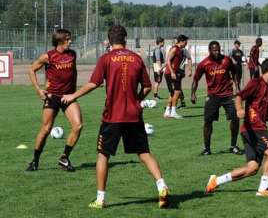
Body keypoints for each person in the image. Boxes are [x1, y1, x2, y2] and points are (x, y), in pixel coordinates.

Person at [61, 25, 170, 208]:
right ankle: (162, 185)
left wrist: (73, 96)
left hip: (112, 116)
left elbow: (93, 83)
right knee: (144, 153)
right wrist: (136, 101)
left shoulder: (106, 59)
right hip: (134, 116)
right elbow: (148, 87)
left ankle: (100, 199)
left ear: (109, 40)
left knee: (103, 155)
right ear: (125, 39)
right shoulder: (136, 58)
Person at [204, 58, 268, 197]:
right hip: (254, 128)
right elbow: (239, 96)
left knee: (252, 168)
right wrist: (239, 109)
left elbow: (265, 113)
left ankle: (216, 181)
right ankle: (263, 189)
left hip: (251, 130)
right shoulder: (256, 83)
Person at [26, 29, 82, 172]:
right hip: (52, 97)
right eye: (68, 39)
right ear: (60, 40)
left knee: (78, 126)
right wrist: (39, 90)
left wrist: (74, 92)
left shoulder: (72, 54)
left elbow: (73, 73)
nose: (70, 41)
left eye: (70, 39)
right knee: (46, 129)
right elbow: (31, 70)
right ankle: (35, 161)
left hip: (68, 97)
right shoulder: (48, 56)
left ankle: (64, 158)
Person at [191, 41, 241, 155]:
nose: (217, 52)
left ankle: (233, 146)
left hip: (228, 95)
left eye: (218, 49)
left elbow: (234, 74)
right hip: (213, 96)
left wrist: (237, 88)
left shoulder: (226, 60)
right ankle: (207, 149)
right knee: (208, 122)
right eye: (214, 50)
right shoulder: (204, 63)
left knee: (235, 118)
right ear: (209, 50)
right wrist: (193, 93)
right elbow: (196, 79)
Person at [163, 34, 188, 119]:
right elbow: (168, 60)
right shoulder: (175, 49)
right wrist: (173, 72)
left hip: (171, 73)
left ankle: (167, 112)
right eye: (186, 42)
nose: (187, 43)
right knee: (177, 92)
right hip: (171, 73)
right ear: (182, 41)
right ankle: (173, 112)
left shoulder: (180, 50)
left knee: (172, 93)